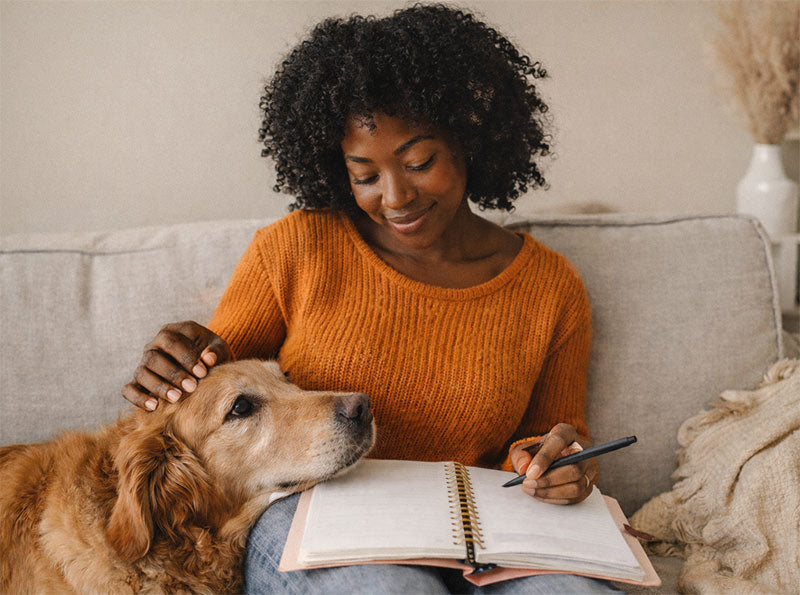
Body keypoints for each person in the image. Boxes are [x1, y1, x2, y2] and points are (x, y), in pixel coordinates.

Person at [122, 4, 619, 593]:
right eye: (364, 175)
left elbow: (552, 436)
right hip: (315, 515)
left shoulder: (550, 287)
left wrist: (560, 462)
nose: (395, 196)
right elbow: (210, 406)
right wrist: (183, 355)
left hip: (483, 534)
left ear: (469, 137)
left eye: (418, 162)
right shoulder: (296, 249)